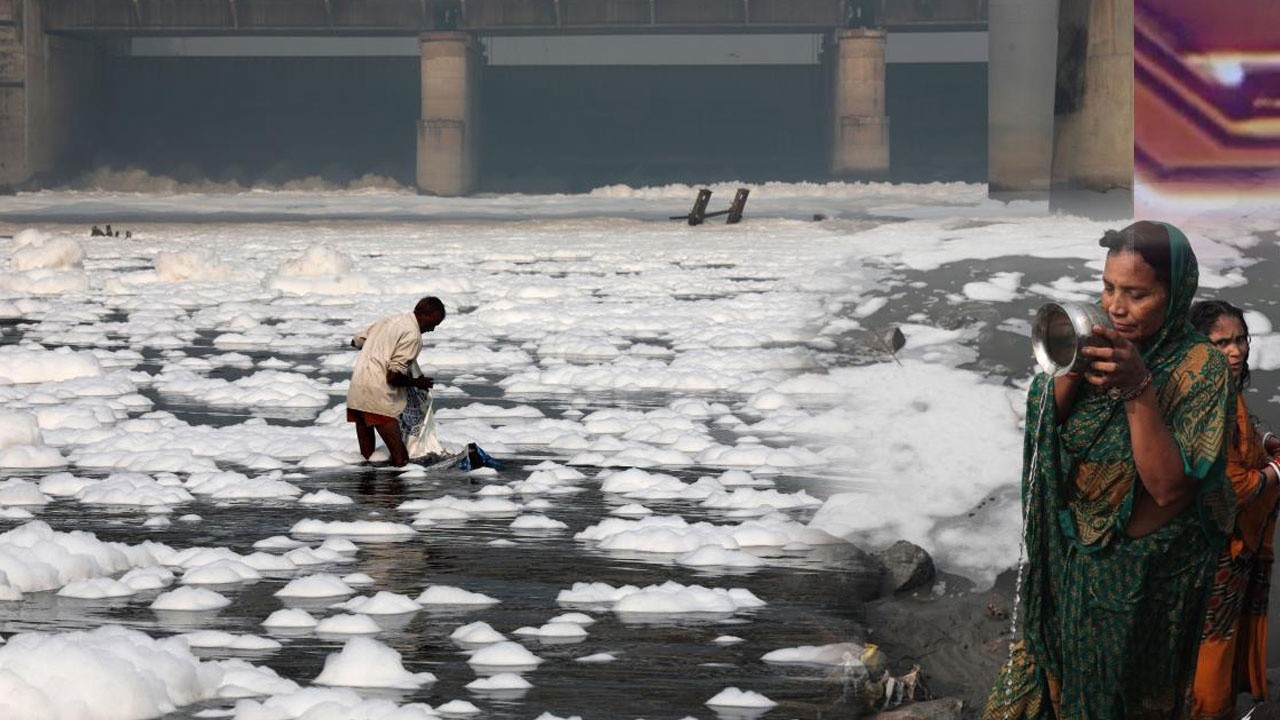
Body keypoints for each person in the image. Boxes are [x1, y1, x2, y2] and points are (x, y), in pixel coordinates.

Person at [984, 221, 1235, 720]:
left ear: (1175, 292)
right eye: (1108, 287)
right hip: (1069, 563)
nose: (1116, 306)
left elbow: (1168, 488)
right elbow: (1042, 421)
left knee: (1123, 698)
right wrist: (1069, 366)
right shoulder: (1102, 342)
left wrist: (1138, 387)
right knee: (1043, 683)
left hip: (1143, 586)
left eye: (1137, 294)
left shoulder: (1201, 369)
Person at [1190, 300, 1280, 720]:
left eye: (1241, 339)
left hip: (1224, 549)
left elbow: (1239, 443)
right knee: (1213, 641)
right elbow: (1233, 485)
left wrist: (1261, 444)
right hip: (1215, 548)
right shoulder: (1205, 400)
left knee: (1214, 638)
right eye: (1222, 342)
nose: (1236, 350)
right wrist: (1276, 472)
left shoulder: (1222, 391)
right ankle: (1210, 711)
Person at [346, 296, 445, 467]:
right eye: (434, 323)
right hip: (377, 395)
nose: (432, 329)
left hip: (357, 389)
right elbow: (393, 377)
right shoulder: (413, 335)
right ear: (424, 315)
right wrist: (416, 383)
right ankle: (397, 493)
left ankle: (366, 492)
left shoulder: (388, 321)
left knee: (368, 459)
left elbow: (356, 341)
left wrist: (380, 348)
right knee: (401, 459)